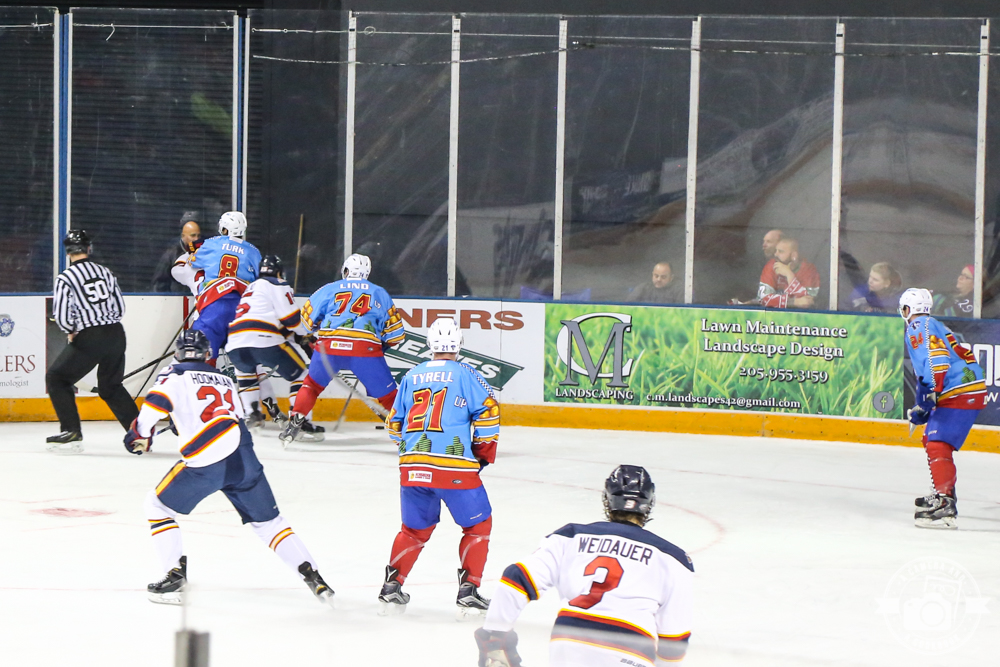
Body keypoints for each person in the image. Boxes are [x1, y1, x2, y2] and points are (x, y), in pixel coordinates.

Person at [126, 329, 335, 607]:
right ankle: (314, 578)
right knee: (270, 524)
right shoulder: (223, 378)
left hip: (207, 458)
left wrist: (140, 433)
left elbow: (156, 404)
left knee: (157, 506)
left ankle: (174, 578)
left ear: (178, 352)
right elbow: (227, 414)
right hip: (243, 456)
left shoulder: (173, 374)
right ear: (207, 354)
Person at [474, 465, 693, 667]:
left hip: (569, 643)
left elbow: (515, 578)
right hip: (630, 649)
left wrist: (496, 636)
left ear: (608, 499)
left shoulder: (570, 536)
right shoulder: (673, 558)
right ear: (649, 503)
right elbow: (673, 641)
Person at [378, 318, 499, 618]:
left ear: (429, 344)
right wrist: (482, 453)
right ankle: (469, 590)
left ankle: (392, 587)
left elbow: (393, 425)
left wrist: (410, 450)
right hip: (453, 467)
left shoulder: (411, 375)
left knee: (413, 530)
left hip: (412, 467)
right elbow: (489, 412)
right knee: (478, 526)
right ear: (459, 343)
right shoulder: (466, 373)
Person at [279, 253, 405, 444]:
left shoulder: (328, 289)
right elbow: (396, 336)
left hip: (329, 348)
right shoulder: (379, 293)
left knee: (311, 385)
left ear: (345, 270)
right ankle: (407, 433)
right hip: (365, 351)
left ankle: (294, 422)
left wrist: (318, 329)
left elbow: (305, 321)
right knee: (389, 397)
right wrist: (380, 348)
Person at [899, 288, 986, 529]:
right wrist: (924, 404)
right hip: (964, 385)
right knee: (932, 440)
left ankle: (945, 504)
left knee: (937, 443)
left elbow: (935, 361)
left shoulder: (917, 327)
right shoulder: (935, 324)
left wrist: (926, 399)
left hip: (959, 389)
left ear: (907, 310)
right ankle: (943, 492)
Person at [45, 229, 139, 453]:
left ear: (68, 252)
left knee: (57, 378)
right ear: (88, 248)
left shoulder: (66, 278)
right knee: (111, 387)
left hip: (90, 337)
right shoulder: (105, 272)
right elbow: (119, 307)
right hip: (116, 333)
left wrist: (71, 330)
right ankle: (140, 432)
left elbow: (62, 315)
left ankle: (71, 430)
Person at [226, 255, 324, 441]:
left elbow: (269, 322)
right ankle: (299, 423)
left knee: (246, 374)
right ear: (279, 272)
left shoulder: (250, 289)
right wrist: (306, 335)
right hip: (264, 339)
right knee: (301, 376)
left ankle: (252, 414)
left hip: (235, 341)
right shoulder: (277, 284)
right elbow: (291, 320)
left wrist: (297, 338)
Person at [187, 211, 262, 362]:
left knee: (202, 351)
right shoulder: (254, 252)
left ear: (224, 228)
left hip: (214, 303)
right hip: (242, 308)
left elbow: (193, 261)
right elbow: (260, 278)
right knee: (245, 359)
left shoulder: (212, 243)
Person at [757, 238, 820, 309]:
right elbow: (763, 299)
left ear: (793, 255)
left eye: (780, 252)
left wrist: (789, 275)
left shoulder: (809, 269)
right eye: (776, 251)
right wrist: (794, 302)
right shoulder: (771, 265)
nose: (775, 254)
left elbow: (808, 302)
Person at [151, 213, 202, 293]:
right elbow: (159, 283)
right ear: (183, 236)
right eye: (193, 235)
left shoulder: (205, 252)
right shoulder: (171, 254)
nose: (196, 239)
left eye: (198, 236)